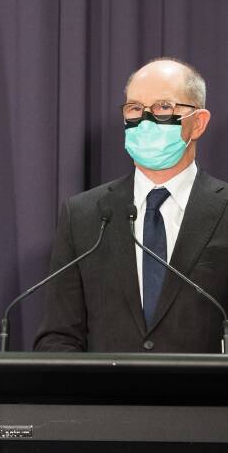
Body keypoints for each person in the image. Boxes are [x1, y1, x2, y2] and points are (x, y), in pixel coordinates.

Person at [35, 57, 227, 352]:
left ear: (198, 123)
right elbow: (58, 338)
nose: (145, 121)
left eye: (164, 107)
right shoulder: (85, 215)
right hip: (106, 397)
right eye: (136, 109)